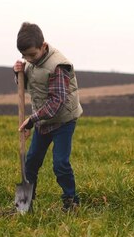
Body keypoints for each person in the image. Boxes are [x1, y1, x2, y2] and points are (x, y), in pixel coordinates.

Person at [13, 22, 83, 212]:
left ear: (43, 46)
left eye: (32, 55)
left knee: (60, 163)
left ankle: (71, 201)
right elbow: (29, 85)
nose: (29, 59)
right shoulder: (31, 62)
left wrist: (32, 120)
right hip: (43, 121)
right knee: (31, 162)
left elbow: (56, 102)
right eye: (24, 56)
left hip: (63, 121)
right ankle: (24, 205)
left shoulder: (58, 66)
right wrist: (18, 73)